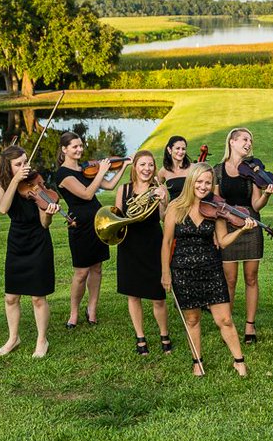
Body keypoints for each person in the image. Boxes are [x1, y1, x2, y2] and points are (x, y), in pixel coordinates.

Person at [161, 163, 257, 377]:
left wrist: (241, 229)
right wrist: (165, 273)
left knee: (225, 319)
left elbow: (222, 242)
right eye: (199, 181)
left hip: (211, 268)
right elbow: (166, 243)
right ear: (191, 181)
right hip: (182, 270)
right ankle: (197, 361)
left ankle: (239, 361)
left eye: (207, 182)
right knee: (192, 319)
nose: (203, 186)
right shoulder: (175, 208)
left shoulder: (214, 209)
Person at [54, 131, 129, 328]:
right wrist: (102, 171)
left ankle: (92, 309)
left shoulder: (86, 168)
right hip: (80, 224)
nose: (79, 149)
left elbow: (111, 185)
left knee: (97, 267)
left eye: (80, 146)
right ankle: (73, 313)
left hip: (98, 222)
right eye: (74, 147)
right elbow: (87, 194)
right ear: (64, 149)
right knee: (81, 272)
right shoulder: (62, 174)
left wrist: (124, 166)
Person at [212, 127, 273, 344]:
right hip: (227, 226)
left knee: (251, 278)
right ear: (232, 142)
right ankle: (228, 324)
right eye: (244, 139)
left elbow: (256, 204)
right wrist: (216, 231)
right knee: (230, 280)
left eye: (250, 140)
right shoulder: (218, 170)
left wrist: (266, 195)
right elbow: (214, 204)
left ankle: (250, 325)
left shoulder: (252, 170)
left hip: (251, 225)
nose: (248, 143)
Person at [0, 146, 59, 358]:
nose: (25, 167)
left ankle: (43, 340)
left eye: (25, 162)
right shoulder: (4, 183)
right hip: (17, 242)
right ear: (8, 167)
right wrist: (14, 181)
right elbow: (3, 208)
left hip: (38, 240)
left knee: (37, 298)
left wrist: (48, 213)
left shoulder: (36, 182)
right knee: (11, 297)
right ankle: (14, 338)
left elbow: (44, 224)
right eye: (19, 164)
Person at [114, 150, 173, 356]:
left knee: (158, 297)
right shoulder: (124, 189)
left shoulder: (159, 188)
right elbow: (117, 216)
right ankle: (140, 336)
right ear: (135, 167)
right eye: (142, 165)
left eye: (150, 165)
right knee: (133, 294)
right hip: (129, 245)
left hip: (152, 243)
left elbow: (164, 218)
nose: (146, 169)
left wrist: (164, 199)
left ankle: (164, 334)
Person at [157, 135, 193, 201]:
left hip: (192, 208)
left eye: (183, 149)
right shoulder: (164, 171)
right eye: (177, 148)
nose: (181, 152)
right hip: (173, 209)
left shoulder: (193, 167)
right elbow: (155, 187)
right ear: (169, 149)